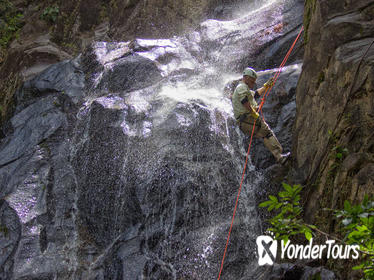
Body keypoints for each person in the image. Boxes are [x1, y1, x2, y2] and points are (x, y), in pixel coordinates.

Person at [231, 67, 290, 164]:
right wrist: (253, 112)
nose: (253, 83)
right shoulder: (241, 87)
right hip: (248, 120)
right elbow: (244, 101)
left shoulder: (244, 88)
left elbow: (255, 95)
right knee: (267, 132)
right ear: (245, 78)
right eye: (251, 81)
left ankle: (279, 156)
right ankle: (279, 156)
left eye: (254, 81)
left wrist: (266, 86)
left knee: (265, 135)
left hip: (244, 123)